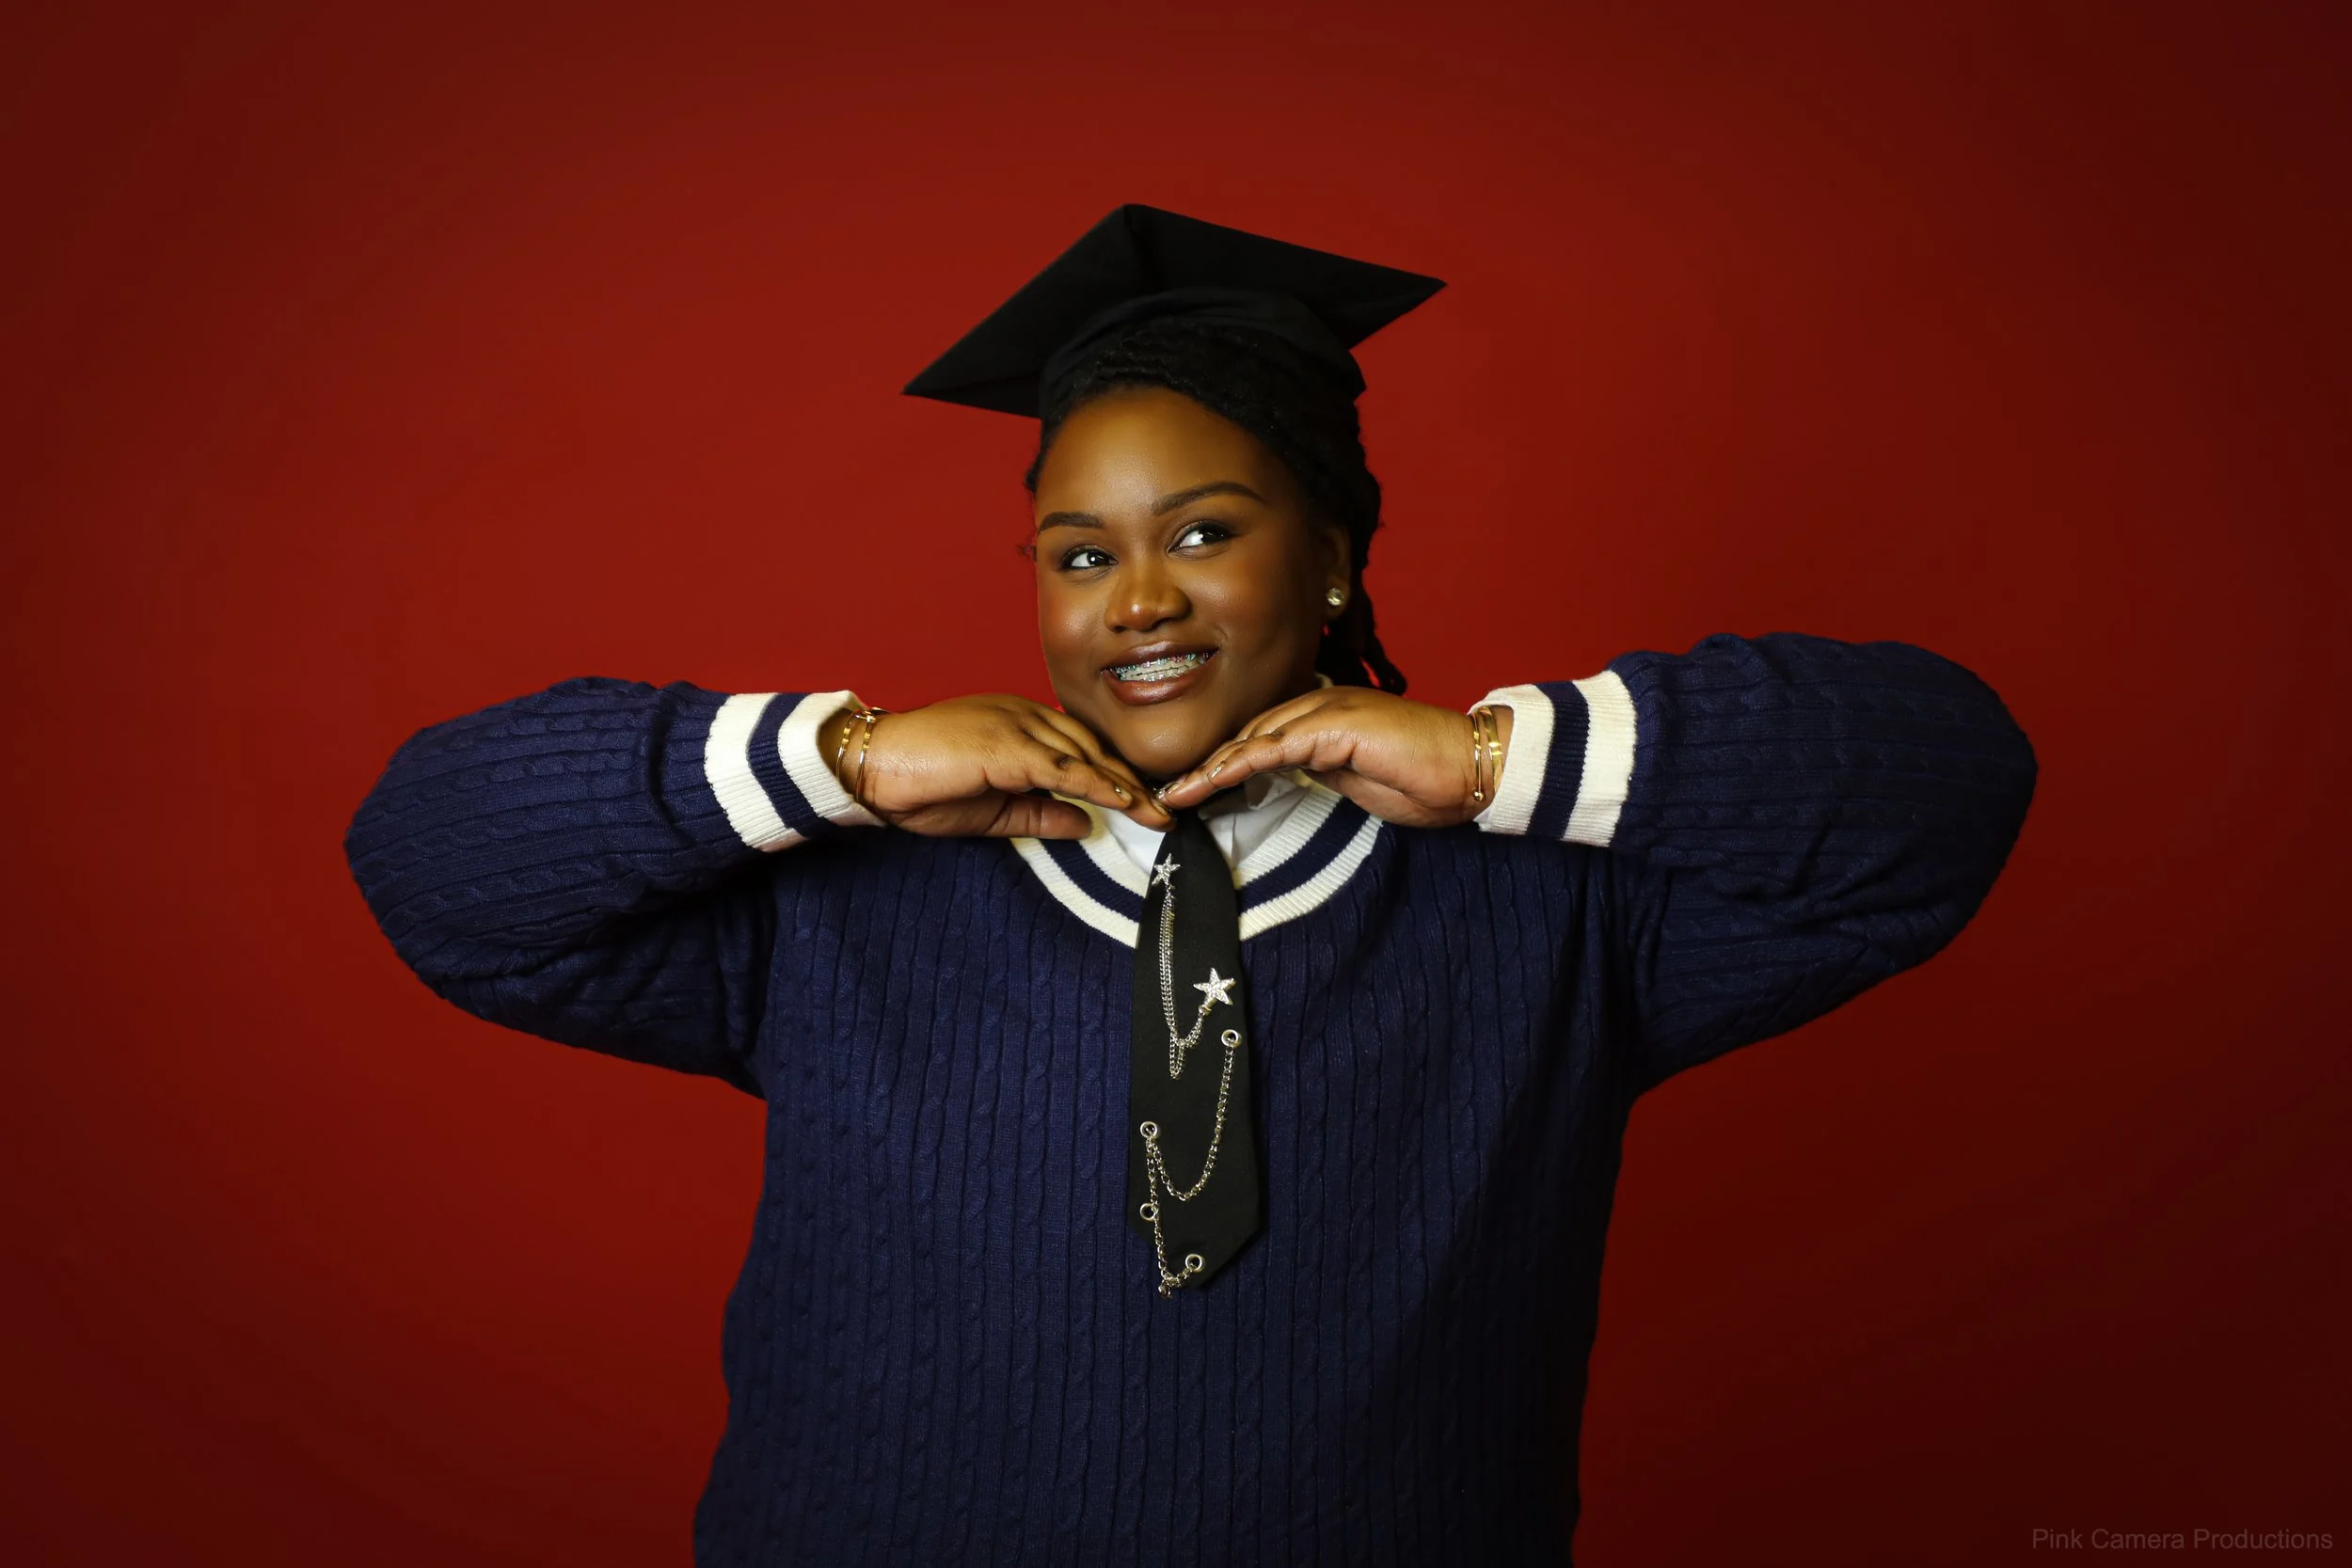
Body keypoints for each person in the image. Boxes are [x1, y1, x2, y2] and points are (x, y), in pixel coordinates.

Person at [343, 205, 2038, 1566]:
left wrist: (1493, 763)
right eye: (1080, 555)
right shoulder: (840, 896)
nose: (1135, 598)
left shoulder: (1561, 904)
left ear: (1340, 555)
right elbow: (432, 860)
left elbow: (1949, 786)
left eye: (1205, 531)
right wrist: (840, 763)